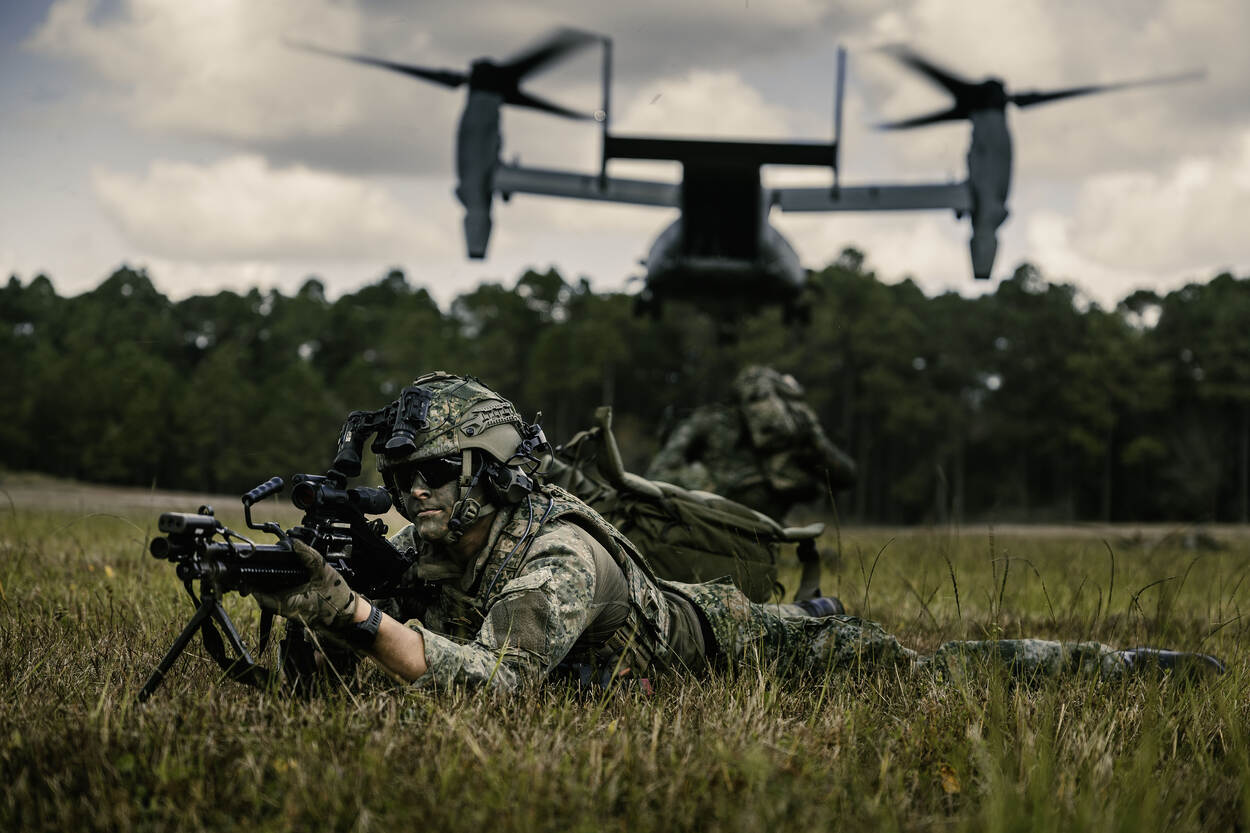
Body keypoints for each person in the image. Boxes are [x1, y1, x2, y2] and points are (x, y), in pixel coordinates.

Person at [254, 372, 1224, 691]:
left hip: (736, 646)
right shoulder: (441, 538)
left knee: (928, 669)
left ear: (490, 472)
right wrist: (318, 602)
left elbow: (497, 684)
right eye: (401, 476)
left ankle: (1140, 664)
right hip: (678, 629)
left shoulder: (557, 554)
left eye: (434, 473)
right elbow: (385, 647)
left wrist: (353, 615)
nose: (413, 493)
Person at [647, 365, 856, 522]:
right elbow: (846, 476)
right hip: (759, 531)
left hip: (712, 522)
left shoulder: (710, 420)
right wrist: (816, 440)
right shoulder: (794, 437)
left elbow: (657, 474)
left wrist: (702, 486)